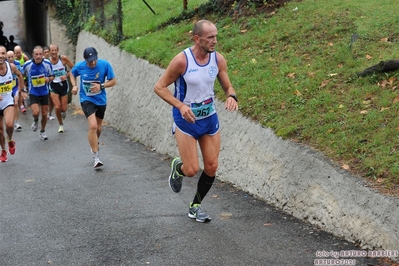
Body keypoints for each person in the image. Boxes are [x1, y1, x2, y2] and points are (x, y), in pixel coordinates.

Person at [154, 20, 239, 222]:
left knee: (211, 166)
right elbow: (159, 87)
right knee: (191, 170)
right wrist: (181, 106)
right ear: (196, 38)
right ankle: (178, 168)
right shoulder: (182, 61)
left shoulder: (218, 60)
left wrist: (231, 96)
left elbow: (228, 87)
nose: (214, 41)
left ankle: (195, 206)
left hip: (209, 118)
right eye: (210, 37)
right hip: (187, 121)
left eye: (216, 36)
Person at [70, 47, 116, 168]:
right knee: (93, 125)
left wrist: (101, 86)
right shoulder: (80, 66)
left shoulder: (105, 65)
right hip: (86, 99)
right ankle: (96, 156)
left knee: (99, 127)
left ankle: (94, 142)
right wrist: (74, 85)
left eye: (94, 60)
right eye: (90, 61)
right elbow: (72, 73)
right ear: (85, 60)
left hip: (100, 99)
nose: (93, 62)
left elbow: (113, 81)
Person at [22, 45, 54, 140]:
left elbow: (52, 76)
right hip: (33, 92)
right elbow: (21, 76)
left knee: (44, 114)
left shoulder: (47, 63)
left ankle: (42, 131)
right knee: (36, 112)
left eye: (40, 54)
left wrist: (48, 79)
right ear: (33, 55)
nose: (39, 56)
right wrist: (23, 88)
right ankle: (35, 120)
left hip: (44, 91)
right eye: (36, 54)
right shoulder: (27, 65)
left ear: (43, 54)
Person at [0, 45, 26, 162]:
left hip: (7, 101)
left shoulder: (11, 67)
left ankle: (10, 139)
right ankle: (3, 150)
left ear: (6, 55)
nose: (0, 56)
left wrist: (20, 90)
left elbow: (20, 75)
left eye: (2, 53)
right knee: (0, 130)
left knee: (9, 125)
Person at [48, 43, 74, 133]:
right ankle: (60, 124)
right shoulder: (47, 62)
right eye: (52, 50)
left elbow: (73, 68)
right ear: (49, 51)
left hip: (63, 85)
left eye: (55, 50)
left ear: (58, 51)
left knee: (63, 108)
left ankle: (63, 112)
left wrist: (66, 75)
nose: (54, 52)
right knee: (57, 107)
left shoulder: (63, 59)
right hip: (53, 85)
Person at [6, 50, 22, 131]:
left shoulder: (18, 64)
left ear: (14, 56)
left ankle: (16, 122)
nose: (10, 59)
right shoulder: (3, 65)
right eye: (9, 57)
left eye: (12, 57)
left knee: (15, 103)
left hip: (15, 87)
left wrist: (21, 87)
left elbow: (20, 75)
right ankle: (8, 121)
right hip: (6, 89)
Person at [14, 45, 29, 113]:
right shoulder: (13, 59)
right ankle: (21, 104)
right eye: (16, 53)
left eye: (19, 53)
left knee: (22, 90)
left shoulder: (24, 57)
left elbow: (29, 64)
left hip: (24, 77)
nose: (17, 54)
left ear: (21, 52)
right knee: (19, 90)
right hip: (17, 78)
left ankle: (22, 102)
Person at [43, 46, 54, 121]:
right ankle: (45, 113)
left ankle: (49, 113)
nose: (47, 53)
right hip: (44, 83)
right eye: (45, 52)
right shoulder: (41, 61)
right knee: (46, 99)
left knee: (51, 98)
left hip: (52, 81)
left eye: (48, 52)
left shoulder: (52, 60)